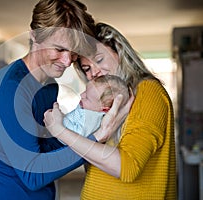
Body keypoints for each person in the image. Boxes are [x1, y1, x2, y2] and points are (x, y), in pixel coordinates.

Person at [0, 0, 106, 199]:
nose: (68, 61)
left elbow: (47, 147)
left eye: (73, 52)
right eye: (60, 49)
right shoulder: (9, 89)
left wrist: (86, 121)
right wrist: (95, 140)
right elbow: (32, 175)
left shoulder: (49, 85)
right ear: (34, 36)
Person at [44, 22, 176, 199]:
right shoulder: (104, 104)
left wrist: (60, 131)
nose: (96, 72)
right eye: (87, 69)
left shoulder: (147, 91)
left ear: (120, 52)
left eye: (99, 60)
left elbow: (127, 168)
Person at [63, 74, 130, 145]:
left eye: (87, 98)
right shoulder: (90, 108)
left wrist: (59, 119)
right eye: (85, 91)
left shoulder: (91, 118)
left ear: (104, 110)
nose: (81, 95)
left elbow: (73, 135)